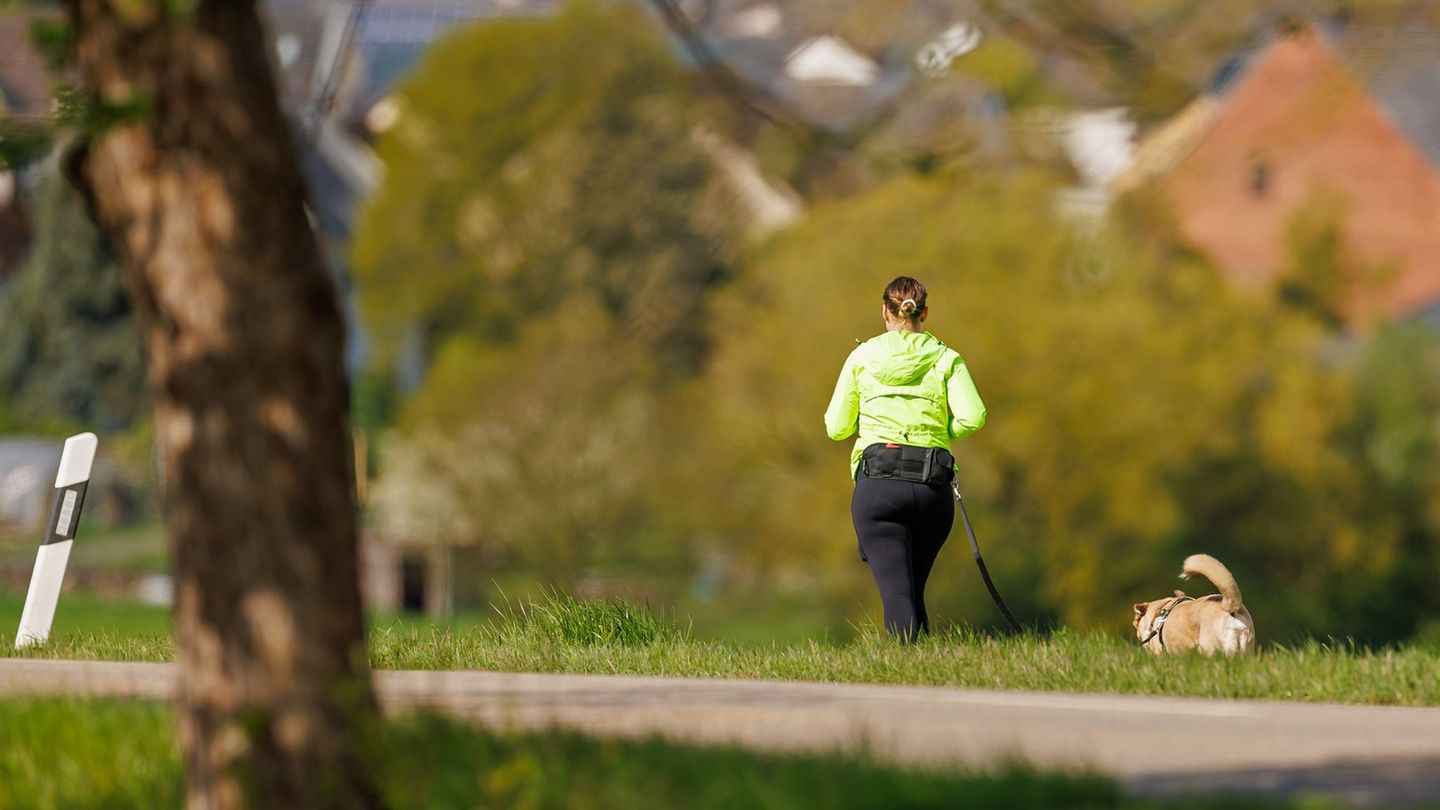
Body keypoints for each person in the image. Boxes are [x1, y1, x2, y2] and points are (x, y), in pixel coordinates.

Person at [823, 276, 986, 640]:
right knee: (912, 590)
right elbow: (973, 417)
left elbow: (836, 427)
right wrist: (940, 434)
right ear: (924, 313)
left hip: (879, 487)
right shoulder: (946, 358)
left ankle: (904, 676)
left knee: (897, 594)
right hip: (932, 489)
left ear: (885, 312)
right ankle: (926, 671)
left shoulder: (861, 358)